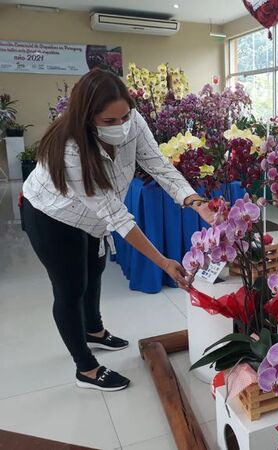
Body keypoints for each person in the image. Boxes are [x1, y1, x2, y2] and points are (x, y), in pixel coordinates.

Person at [21, 69, 212, 392]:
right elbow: (118, 217)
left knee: (94, 269)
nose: (120, 126)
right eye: (109, 121)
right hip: (51, 215)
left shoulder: (133, 121)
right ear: (86, 118)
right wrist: (164, 262)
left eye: (124, 116)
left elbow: (158, 165)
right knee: (70, 287)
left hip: (91, 216)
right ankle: (86, 368)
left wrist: (195, 201)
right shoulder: (72, 150)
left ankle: (93, 330)